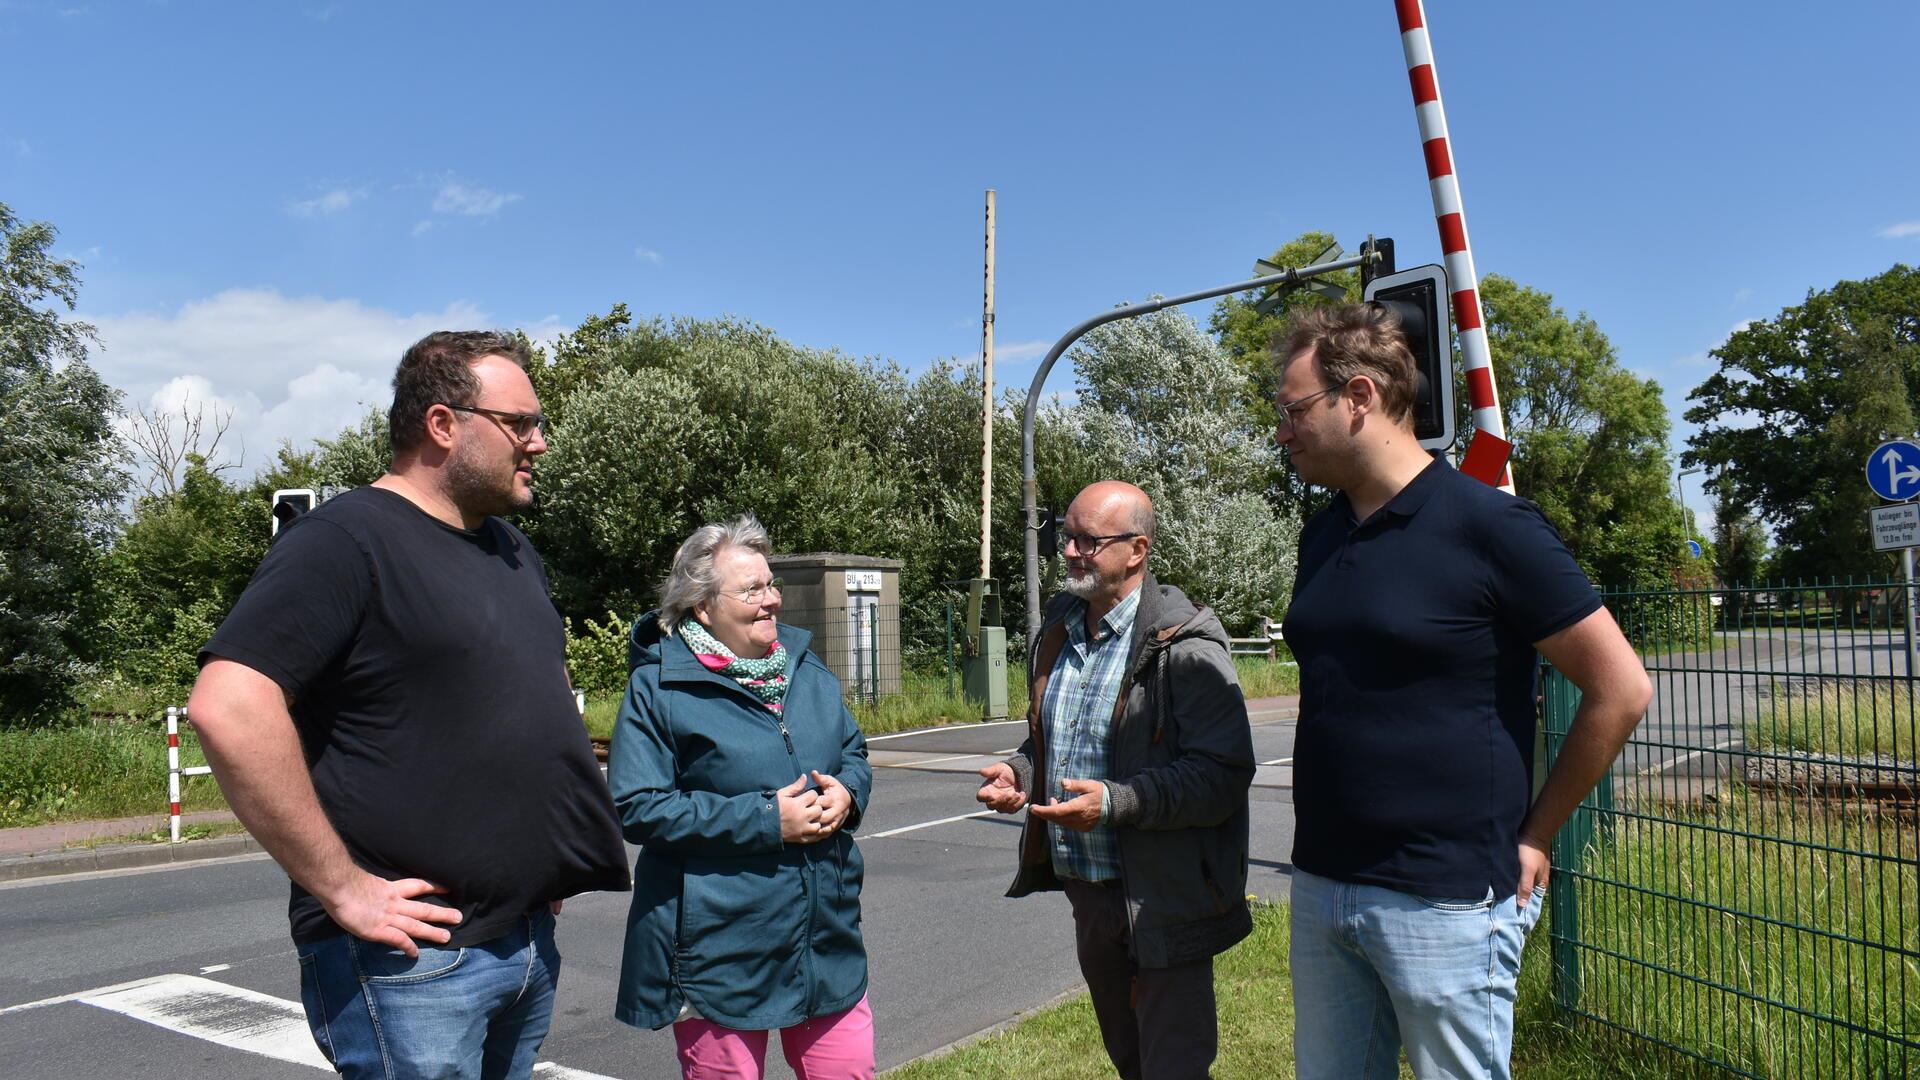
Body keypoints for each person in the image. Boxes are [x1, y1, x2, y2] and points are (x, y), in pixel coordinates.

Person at [187, 330, 631, 1080]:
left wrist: (546, 860)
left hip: (523, 940)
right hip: (409, 962)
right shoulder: (344, 540)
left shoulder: (514, 552)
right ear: (442, 424)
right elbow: (228, 706)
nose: (540, 443)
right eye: (521, 423)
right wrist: (342, 888)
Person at [1273, 303, 1652, 1080]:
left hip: (1446, 900)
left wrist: (1538, 835)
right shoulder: (1324, 532)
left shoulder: (1492, 526)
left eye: (1294, 409)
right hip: (1321, 882)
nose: (1282, 431)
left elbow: (1621, 687)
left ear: (1360, 397)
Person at [977, 480, 1256, 1080]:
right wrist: (1022, 772)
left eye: (1088, 541)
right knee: (1131, 1062)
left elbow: (1223, 775)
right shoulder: (1060, 627)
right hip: (1092, 892)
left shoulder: (1184, 645)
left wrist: (1116, 803)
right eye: (1065, 536)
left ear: (1137, 549)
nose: (1070, 552)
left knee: (1172, 1067)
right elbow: (1055, 737)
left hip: (1165, 896)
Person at [609, 514, 875, 1080]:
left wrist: (848, 793)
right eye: (752, 589)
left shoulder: (807, 670)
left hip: (823, 940)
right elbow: (638, 805)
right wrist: (766, 820)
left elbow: (853, 749)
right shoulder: (659, 686)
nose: (772, 600)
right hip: (719, 951)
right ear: (703, 606)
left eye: (771, 584)